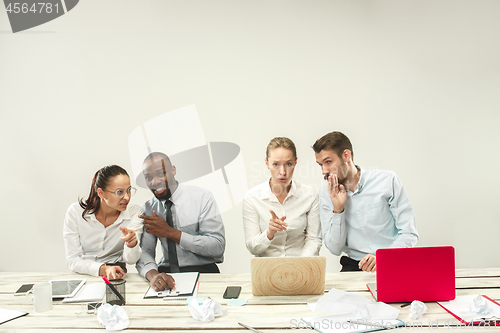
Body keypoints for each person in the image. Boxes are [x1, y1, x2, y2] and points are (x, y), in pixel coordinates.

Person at [312, 131, 418, 272]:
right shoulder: (326, 194)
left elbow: (409, 233)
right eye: (321, 165)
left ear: (346, 156)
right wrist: (338, 210)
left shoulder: (387, 180)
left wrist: (384, 257)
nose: (324, 171)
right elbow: (335, 248)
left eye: (328, 162)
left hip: (393, 260)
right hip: (355, 266)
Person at [136, 152, 225, 292]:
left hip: (203, 271)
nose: (155, 182)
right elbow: (145, 252)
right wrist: (153, 276)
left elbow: (217, 247)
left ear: (173, 170)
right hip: (166, 273)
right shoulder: (148, 208)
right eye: (149, 177)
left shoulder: (202, 198)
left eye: (160, 174)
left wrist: (171, 233)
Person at [243, 137, 322, 257]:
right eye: (276, 164)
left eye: (288, 164)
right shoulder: (252, 197)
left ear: (295, 162)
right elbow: (252, 247)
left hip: (301, 268)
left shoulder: (309, 195)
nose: (283, 172)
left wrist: (300, 266)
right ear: (267, 163)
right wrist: (269, 233)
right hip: (267, 270)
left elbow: (314, 239)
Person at [63, 165, 143, 280]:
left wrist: (132, 244)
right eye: (119, 192)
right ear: (100, 193)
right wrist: (103, 269)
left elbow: (131, 260)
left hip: (116, 275)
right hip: (84, 274)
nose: (126, 197)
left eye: (129, 190)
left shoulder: (134, 213)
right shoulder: (75, 212)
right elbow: (72, 259)